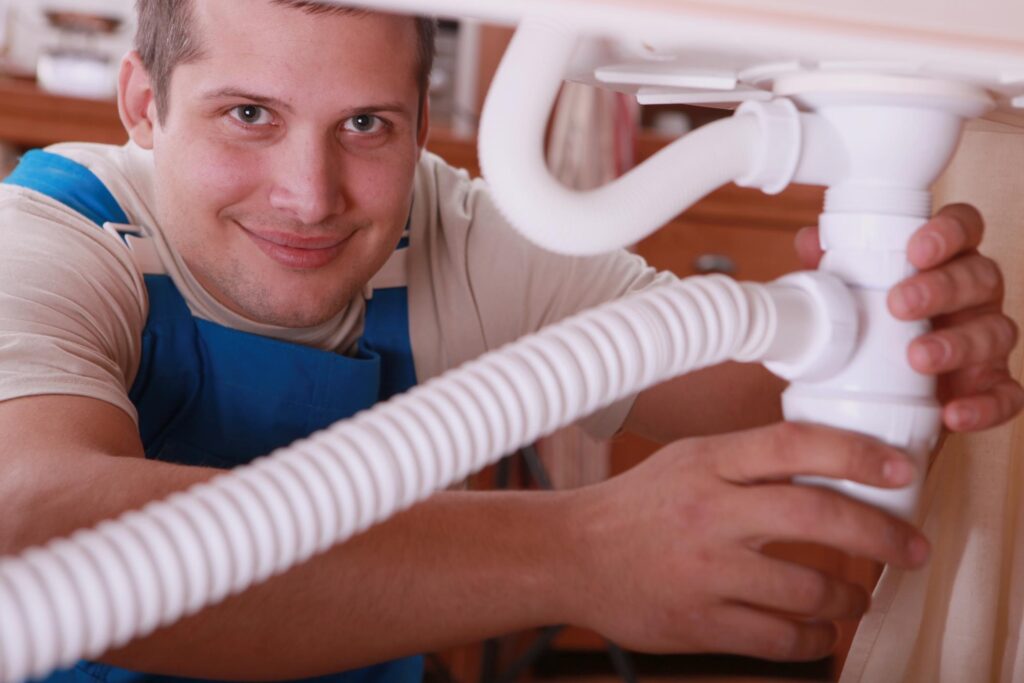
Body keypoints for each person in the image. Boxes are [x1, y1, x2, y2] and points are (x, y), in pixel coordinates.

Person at [0, 1, 1019, 681]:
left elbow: (737, 383)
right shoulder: (54, 236)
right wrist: (577, 553)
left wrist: (894, 338)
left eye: (366, 125)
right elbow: (38, 527)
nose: (310, 197)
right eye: (250, 114)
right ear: (144, 104)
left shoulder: (444, 228)